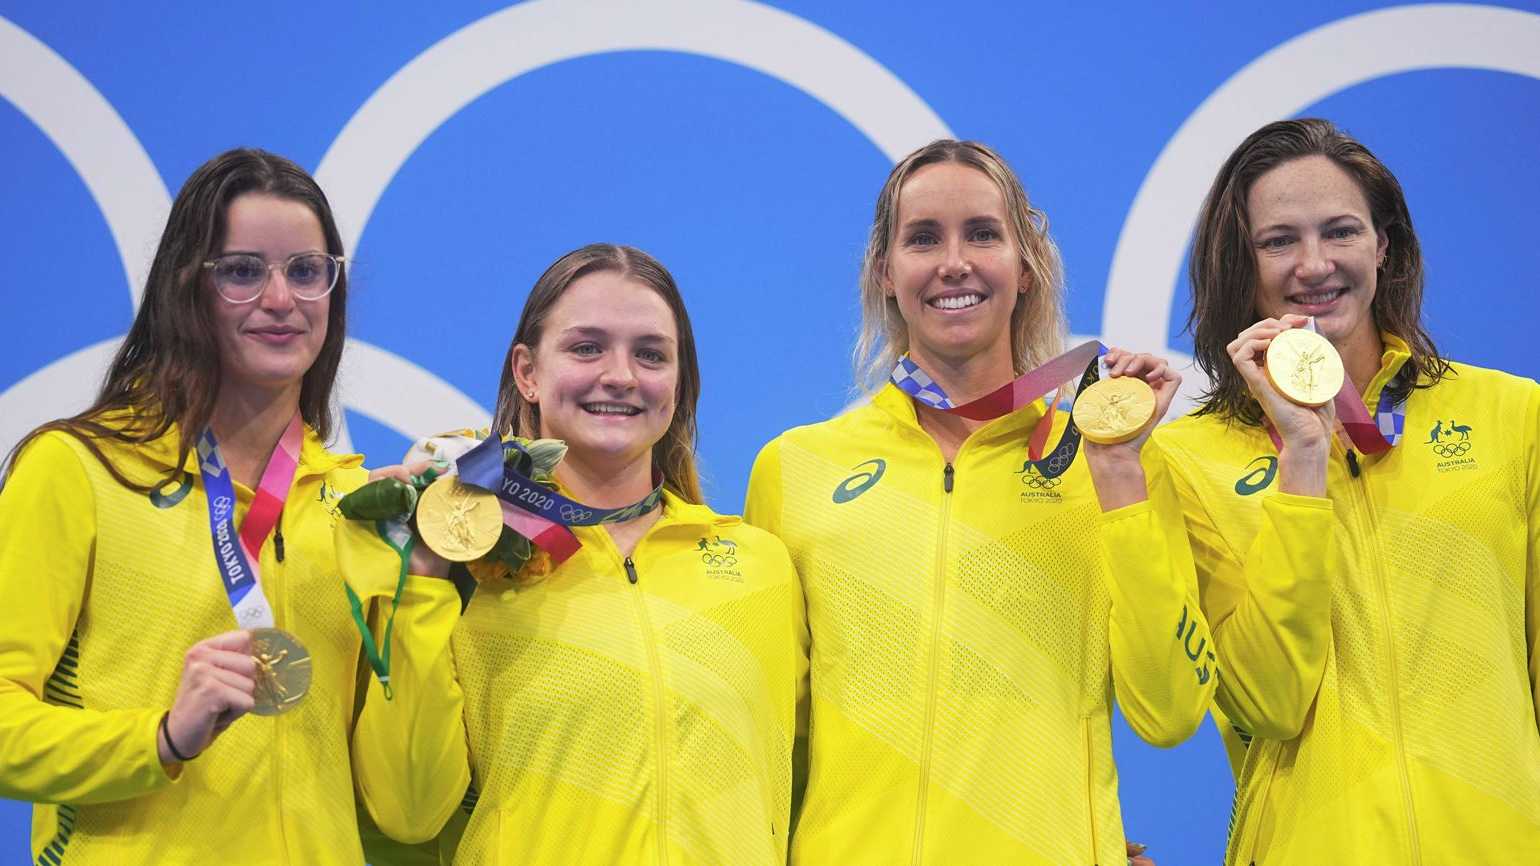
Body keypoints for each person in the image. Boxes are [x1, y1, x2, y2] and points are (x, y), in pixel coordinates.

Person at [744, 139, 1215, 865]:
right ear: (884, 272)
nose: (954, 262)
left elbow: (1172, 709)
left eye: (983, 234)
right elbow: (771, 739)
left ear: (1026, 268)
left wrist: (1121, 471)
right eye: (923, 238)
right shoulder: (796, 469)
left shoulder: (1109, 460)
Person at [1145, 117, 1540, 863]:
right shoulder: (1186, 459)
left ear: (1383, 245)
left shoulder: (1513, 416)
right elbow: (1268, 703)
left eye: (1341, 231)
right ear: (1242, 263)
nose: (1315, 264)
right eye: (1279, 241)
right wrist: (1302, 455)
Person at [350, 243, 809, 866]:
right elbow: (409, 813)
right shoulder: (462, 568)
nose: (621, 375)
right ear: (527, 372)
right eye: (587, 348)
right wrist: (424, 578)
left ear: (679, 384)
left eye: (651, 354)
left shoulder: (761, 568)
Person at [0, 149, 380, 863]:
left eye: (306, 271)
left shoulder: (353, 508)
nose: (281, 298)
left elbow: (391, 793)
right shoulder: (79, 469)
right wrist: (161, 738)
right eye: (242, 271)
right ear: (188, 288)